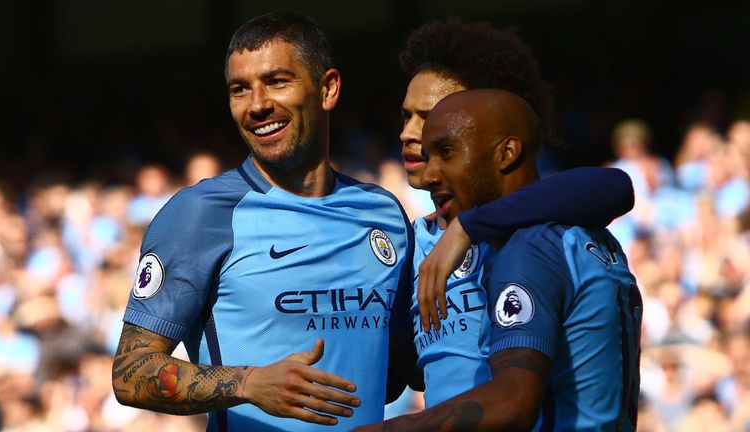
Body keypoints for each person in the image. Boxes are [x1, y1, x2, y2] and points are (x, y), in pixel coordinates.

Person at [112, 12, 420, 431]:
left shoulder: (383, 214)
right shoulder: (199, 214)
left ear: (327, 88)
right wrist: (251, 383)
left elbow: (398, 370)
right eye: (240, 89)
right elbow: (131, 372)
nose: (257, 105)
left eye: (277, 81)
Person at [358, 88, 642, 431]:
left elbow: (513, 401)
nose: (431, 173)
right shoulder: (585, 235)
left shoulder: (527, 249)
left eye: (447, 151)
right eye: (406, 118)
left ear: (506, 151)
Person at [394, 18, 634, 408]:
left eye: (431, 115)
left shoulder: (536, 225)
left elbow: (615, 188)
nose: (409, 132)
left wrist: (469, 226)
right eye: (407, 116)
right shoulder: (408, 244)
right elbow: (408, 372)